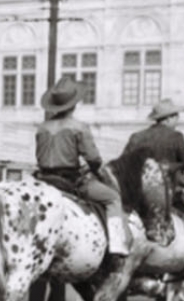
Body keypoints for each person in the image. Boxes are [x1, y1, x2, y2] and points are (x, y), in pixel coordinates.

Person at [35, 75, 131, 258]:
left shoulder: (41, 128)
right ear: (74, 104)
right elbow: (94, 159)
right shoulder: (79, 127)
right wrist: (97, 172)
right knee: (112, 198)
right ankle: (117, 245)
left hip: (44, 180)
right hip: (69, 181)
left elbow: (40, 157)